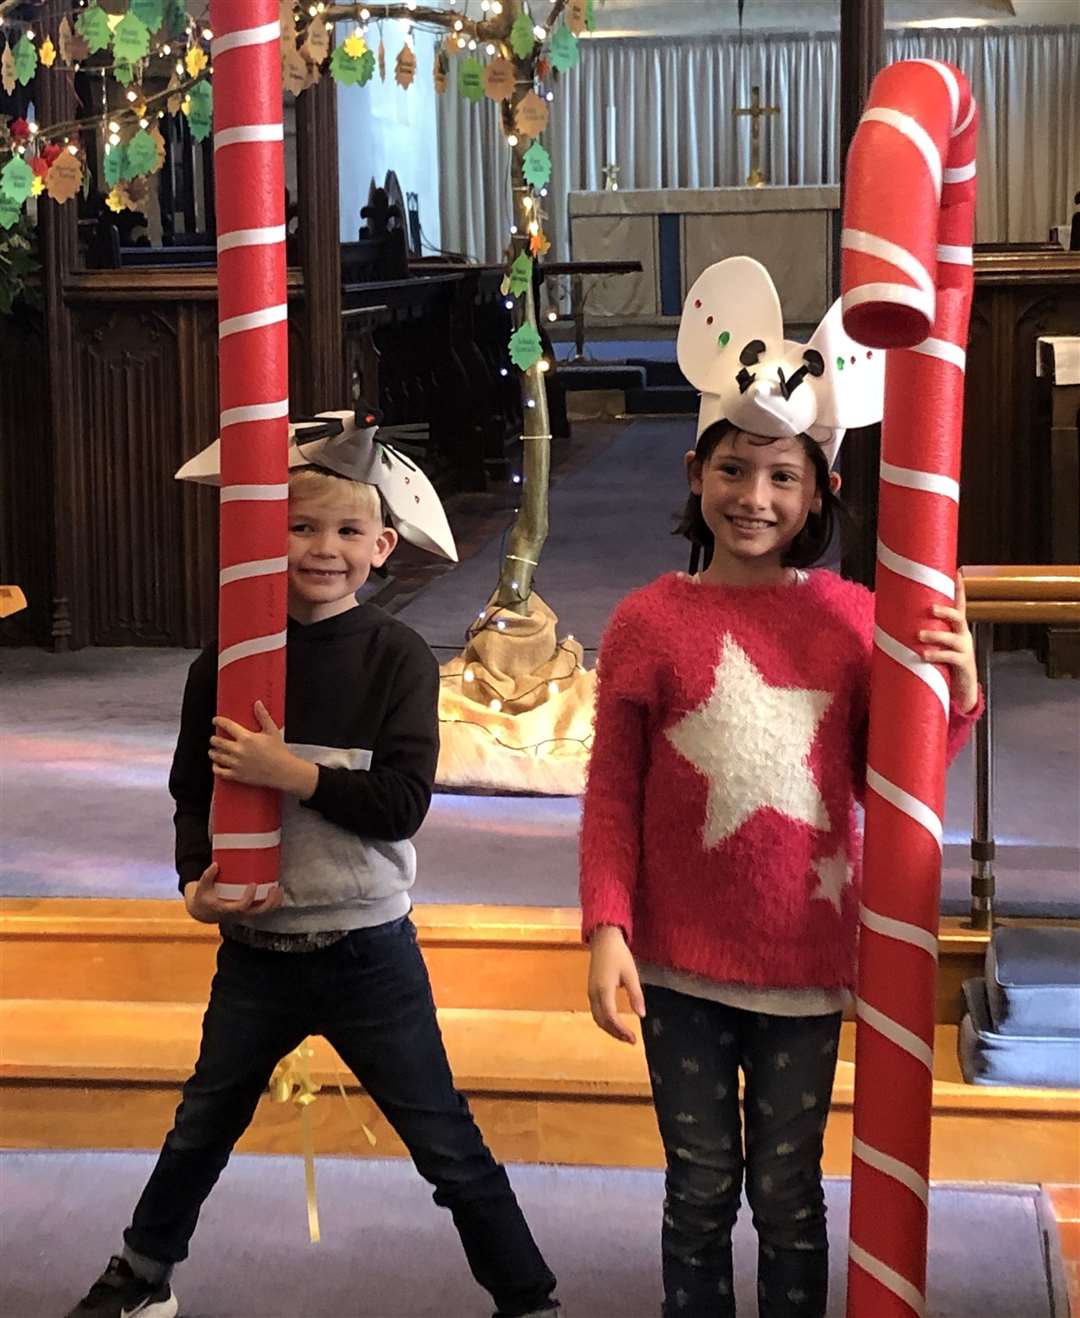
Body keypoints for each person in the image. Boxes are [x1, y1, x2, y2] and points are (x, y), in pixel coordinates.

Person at [67, 410, 561, 1318]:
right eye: (300, 526)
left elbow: (403, 805)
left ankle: (529, 1299)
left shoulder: (399, 657)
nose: (321, 548)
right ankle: (142, 1278)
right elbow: (191, 786)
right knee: (200, 1129)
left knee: (445, 1142)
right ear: (266, 533)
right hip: (257, 948)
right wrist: (192, 879)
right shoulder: (228, 659)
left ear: (382, 545)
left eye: (344, 531)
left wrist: (291, 773)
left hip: (368, 950)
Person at [579, 259, 981, 1318]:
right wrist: (606, 926)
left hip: (804, 960)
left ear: (821, 492)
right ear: (694, 470)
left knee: (790, 1195)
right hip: (678, 964)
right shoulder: (644, 621)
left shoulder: (852, 621)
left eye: (783, 477)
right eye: (735, 469)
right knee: (700, 1189)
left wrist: (959, 699)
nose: (754, 498)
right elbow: (613, 795)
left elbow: (893, 790)